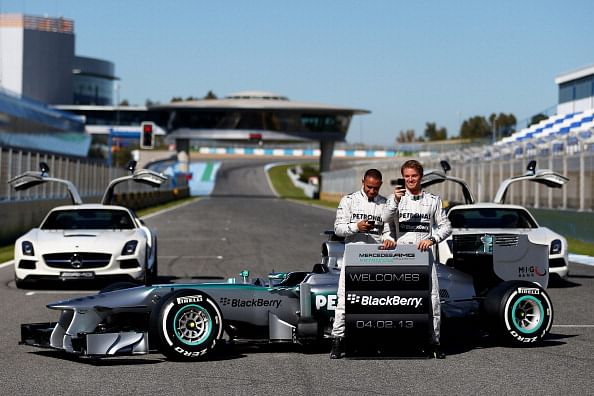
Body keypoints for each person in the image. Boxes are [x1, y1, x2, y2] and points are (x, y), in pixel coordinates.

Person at [383, 159, 451, 358]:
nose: (410, 180)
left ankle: (434, 342)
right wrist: (395, 201)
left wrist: (432, 238)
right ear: (402, 177)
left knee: (433, 300)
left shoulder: (433, 200)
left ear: (421, 177)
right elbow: (385, 221)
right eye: (407, 176)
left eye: (414, 176)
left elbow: (446, 226)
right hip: (401, 257)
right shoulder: (394, 198)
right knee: (398, 300)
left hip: (424, 257)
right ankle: (398, 342)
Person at [330, 168, 396, 359]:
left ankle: (375, 342)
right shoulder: (348, 200)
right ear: (363, 182)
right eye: (368, 187)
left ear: (380, 185)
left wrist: (388, 239)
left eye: (375, 188)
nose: (372, 192)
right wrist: (356, 227)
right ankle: (337, 340)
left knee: (378, 301)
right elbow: (338, 229)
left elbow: (388, 232)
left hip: (378, 259)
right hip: (353, 258)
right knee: (344, 300)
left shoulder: (385, 204)